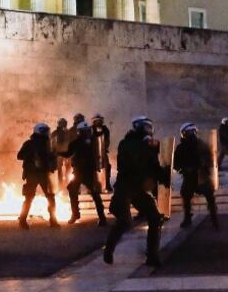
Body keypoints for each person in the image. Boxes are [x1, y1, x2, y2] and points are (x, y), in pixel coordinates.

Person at [103, 116, 167, 268]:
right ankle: (109, 249)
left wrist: (162, 174)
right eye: (146, 126)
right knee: (124, 221)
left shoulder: (145, 145)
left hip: (138, 188)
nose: (148, 130)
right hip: (125, 187)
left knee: (155, 218)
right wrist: (148, 148)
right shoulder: (127, 144)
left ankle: (152, 256)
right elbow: (134, 163)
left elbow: (153, 165)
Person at [173, 122, 219, 229]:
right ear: (184, 133)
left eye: (193, 132)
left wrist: (204, 165)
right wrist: (183, 169)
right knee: (186, 196)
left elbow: (209, 158)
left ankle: (214, 218)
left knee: (210, 197)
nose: (192, 134)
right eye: (189, 132)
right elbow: (176, 163)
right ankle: (188, 218)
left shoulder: (201, 145)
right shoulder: (181, 148)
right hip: (189, 176)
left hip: (201, 175)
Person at [62, 121, 107, 225]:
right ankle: (78, 214)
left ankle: (99, 217)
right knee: (75, 190)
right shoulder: (87, 141)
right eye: (85, 131)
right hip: (81, 172)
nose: (87, 133)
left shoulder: (91, 141)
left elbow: (68, 154)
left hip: (87, 172)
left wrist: (58, 153)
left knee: (94, 194)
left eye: (87, 131)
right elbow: (69, 153)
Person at [16, 122, 60, 229]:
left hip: (34, 174)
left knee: (29, 198)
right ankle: (53, 221)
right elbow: (20, 156)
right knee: (49, 197)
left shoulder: (30, 143)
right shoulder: (44, 144)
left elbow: (19, 156)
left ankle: (23, 220)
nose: (47, 134)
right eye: (45, 131)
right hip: (40, 174)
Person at [91, 113, 112, 192]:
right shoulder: (90, 129)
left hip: (103, 152)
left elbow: (107, 140)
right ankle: (93, 184)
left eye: (100, 121)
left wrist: (105, 147)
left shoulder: (105, 129)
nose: (99, 122)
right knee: (92, 168)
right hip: (93, 153)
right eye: (97, 121)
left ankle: (107, 183)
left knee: (107, 167)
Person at [50, 118, 72, 185]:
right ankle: (61, 185)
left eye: (64, 123)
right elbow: (51, 143)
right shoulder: (55, 133)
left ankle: (68, 185)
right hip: (58, 154)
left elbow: (72, 142)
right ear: (59, 124)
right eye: (62, 123)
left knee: (68, 170)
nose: (63, 124)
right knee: (59, 171)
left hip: (68, 154)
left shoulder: (69, 132)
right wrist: (53, 153)